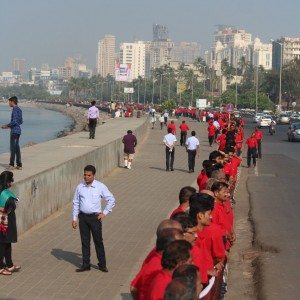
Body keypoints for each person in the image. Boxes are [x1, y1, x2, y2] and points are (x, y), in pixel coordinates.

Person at [72, 165, 116, 273]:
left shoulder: (100, 186)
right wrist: (74, 218)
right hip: (83, 217)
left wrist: (104, 213)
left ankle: (102, 265)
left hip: (95, 218)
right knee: (85, 242)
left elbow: (111, 199)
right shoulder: (79, 187)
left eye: (89, 175)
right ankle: (85, 264)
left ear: (93, 175)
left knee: (98, 241)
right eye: (85, 175)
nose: (86, 177)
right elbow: (76, 203)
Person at [0, 171, 20, 275]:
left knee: (7, 242)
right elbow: (11, 206)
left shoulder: (4, 191)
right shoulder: (3, 193)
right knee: (2, 244)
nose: (11, 183)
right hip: (3, 222)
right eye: (10, 181)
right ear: (6, 181)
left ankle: (9, 264)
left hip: (7, 220)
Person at [1, 96, 23, 170]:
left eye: (9, 102)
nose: (8, 103)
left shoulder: (15, 110)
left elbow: (14, 121)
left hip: (14, 131)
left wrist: (6, 125)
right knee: (17, 147)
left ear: (12, 102)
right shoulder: (19, 110)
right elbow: (20, 121)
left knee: (13, 148)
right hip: (18, 131)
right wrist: (9, 126)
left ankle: (11, 164)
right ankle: (19, 164)